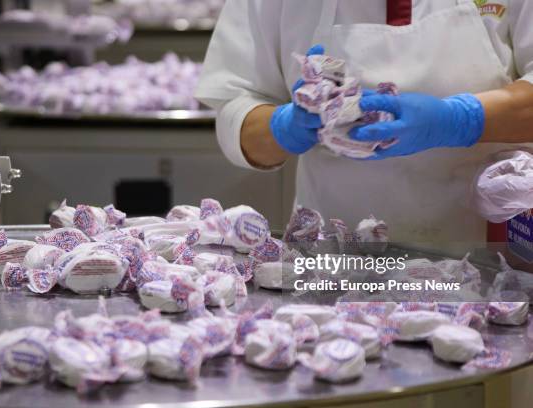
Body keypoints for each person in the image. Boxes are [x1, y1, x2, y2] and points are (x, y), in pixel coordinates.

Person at [194, 0, 533, 246]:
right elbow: (237, 108)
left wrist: (461, 120)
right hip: (333, 261)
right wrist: (283, 127)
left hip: (489, 255)